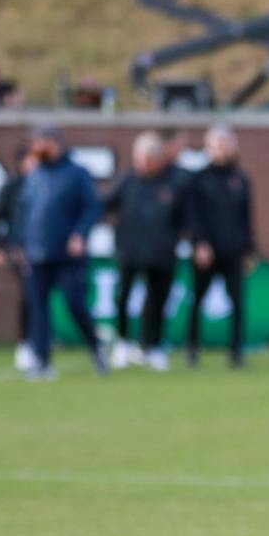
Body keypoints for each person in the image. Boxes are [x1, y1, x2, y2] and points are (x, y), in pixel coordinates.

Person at [16, 123, 105, 380]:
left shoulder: (77, 173)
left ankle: (95, 345)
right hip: (37, 253)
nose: (34, 148)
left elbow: (92, 208)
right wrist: (19, 244)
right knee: (38, 308)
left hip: (68, 254)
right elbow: (25, 212)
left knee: (75, 303)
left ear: (53, 142)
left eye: (39, 142)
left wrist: (80, 234)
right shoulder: (35, 175)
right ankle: (41, 360)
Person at [102, 131, 186, 372]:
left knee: (157, 301)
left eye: (149, 157)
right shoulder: (127, 180)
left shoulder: (173, 181)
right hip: (129, 250)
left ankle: (152, 346)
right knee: (123, 297)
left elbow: (185, 217)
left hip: (161, 251)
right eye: (140, 157)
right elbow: (105, 203)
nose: (144, 163)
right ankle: (122, 342)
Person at [183, 123, 256, 368]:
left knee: (238, 302)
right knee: (197, 300)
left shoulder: (240, 179)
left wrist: (249, 249)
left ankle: (236, 352)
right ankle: (192, 349)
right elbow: (193, 216)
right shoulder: (198, 179)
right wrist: (200, 244)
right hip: (207, 252)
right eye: (216, 145)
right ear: (208, 147)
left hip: (233, 251)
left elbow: (246, 217)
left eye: (225, 144)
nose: (221, 149)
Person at [0, 145, 37, 371]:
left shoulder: (49, 183)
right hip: (22, 251)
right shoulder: (13, 186)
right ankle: (25, 344)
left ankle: (41, 340)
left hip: (49, 251)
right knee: (29, 296)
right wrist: (0, 246)